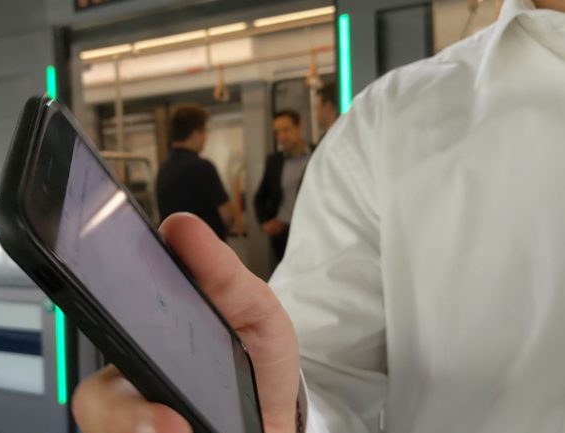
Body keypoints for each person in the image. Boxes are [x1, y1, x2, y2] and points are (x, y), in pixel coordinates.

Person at [72, 1, 565, 433]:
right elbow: (319, 380)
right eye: (281, 128)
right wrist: (259, 409)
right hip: (251, 264)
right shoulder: (386, 126)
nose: (284, 135)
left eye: (287, 128)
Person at [157, 104, 233, 241]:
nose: (205, 137)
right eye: (204, 132)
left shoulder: (163, 169)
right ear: (195, 134)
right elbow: (227, 216)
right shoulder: (203, 167)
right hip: (206, 251)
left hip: (175, 252)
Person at [255, 110, 312, 261]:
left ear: (299, 127)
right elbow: (259, 197)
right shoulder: (274, 161)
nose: (281, 137)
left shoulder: (317, 153)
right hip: (284, 234)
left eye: (286, 130)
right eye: (277, 132)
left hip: (314, 230)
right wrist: (265, 222)